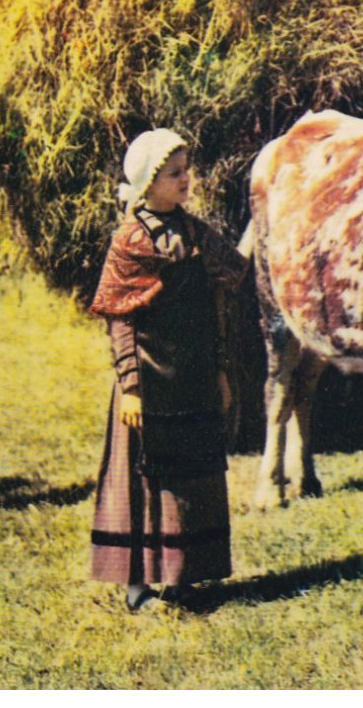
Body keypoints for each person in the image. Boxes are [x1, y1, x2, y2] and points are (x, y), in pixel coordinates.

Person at [88, 129, 250, 614]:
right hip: (148, 380)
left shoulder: (196, 233)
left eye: (186, 170)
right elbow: (120, 318)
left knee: (191, 479)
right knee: (141, 481)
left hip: (193, 376)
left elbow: (223, 292)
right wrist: (131, 387)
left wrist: (220, 370)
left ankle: (183, 578)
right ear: (148, 181)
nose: (186, 179)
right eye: (175, 173)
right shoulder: (130, 240)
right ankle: (136, 584)